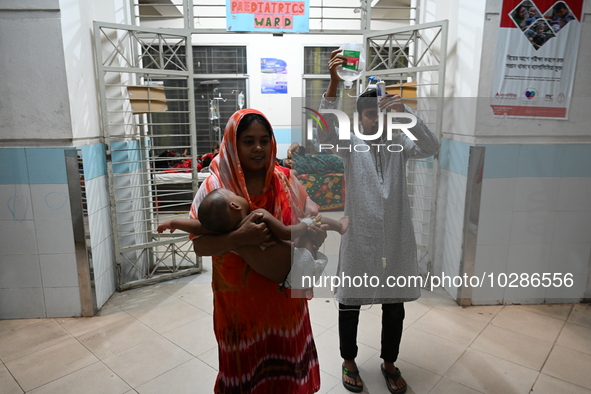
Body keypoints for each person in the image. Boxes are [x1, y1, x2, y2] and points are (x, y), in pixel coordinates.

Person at [320, 50, 440, 393]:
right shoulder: (350, 143)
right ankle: (348, 361)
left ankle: (389, 362)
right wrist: (332, 83)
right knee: (349, 302)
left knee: (394, 303)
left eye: (381, 113)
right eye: (370, 114)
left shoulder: (401, 142)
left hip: (395, 236)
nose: (376, 120)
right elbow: (326, 132)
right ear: (359, 119)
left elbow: (431, 145)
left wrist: (407, 113)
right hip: (359, 235)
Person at [188, 108, 325, 393]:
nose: (258, 148)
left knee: (287, 366)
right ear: (233, 144)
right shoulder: (216, 186)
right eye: (248, 141)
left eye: (264, 140)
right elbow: (200, 244)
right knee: (245, 369)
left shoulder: (284, 180)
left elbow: (309, 220)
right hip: (239, 304)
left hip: (285, 302)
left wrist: (315, 232)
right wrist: (240, 237)